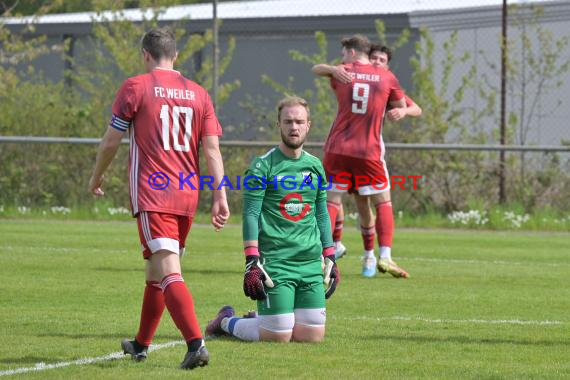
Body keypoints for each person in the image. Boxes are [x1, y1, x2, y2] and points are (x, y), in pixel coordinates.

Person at [88, 27, 229, 370]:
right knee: (155, 270)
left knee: (168, 271)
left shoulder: (136, 87)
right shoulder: (199, 93)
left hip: (155, 194)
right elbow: (211, 149)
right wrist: (220, 195)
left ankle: (196, 344)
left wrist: (96, 176)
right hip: (187, 195)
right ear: (176, 56)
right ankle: (140, 344)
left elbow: (110, 142)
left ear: (145, 55)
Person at [205, 96, 339, 343]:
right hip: (276, 262)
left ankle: (265, 314)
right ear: (279, 125)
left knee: (311, 337)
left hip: (310, 262)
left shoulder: (315, 166)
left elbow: (321, 212)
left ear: (309, 125)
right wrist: (251, 261)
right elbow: (251, 214)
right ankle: (225, 321)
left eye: (299, 121)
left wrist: (330, 254)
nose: (294, 127)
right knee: (276, 337)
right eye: (288, 121)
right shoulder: (262, 166)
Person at [312, 35, 409, 278]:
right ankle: (385, 256)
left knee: (331, 201)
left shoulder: (342, 72)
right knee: (382, 201)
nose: (342, 58)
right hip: (368, 151)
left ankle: (326, 255)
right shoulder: (386, 77)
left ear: (352, 53)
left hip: (337, 149)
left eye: (344, 53)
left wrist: (334, 69)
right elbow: (400, 103)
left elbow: (316, 69)